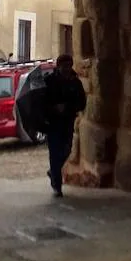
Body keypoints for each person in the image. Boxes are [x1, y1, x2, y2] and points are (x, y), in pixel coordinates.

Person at [42, 54, 86, 197]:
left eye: (69, 66)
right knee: (54, 153)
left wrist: (67, 107)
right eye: (64, 66)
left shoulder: (75, 83)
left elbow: (82, 102)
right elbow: (42, 101)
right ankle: (57, 185)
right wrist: (53, 108)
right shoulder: (49, 81)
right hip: (53, 123)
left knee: (67, 150)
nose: (67, 69)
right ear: (58, 66)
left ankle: (53, 171)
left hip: (67, 122)